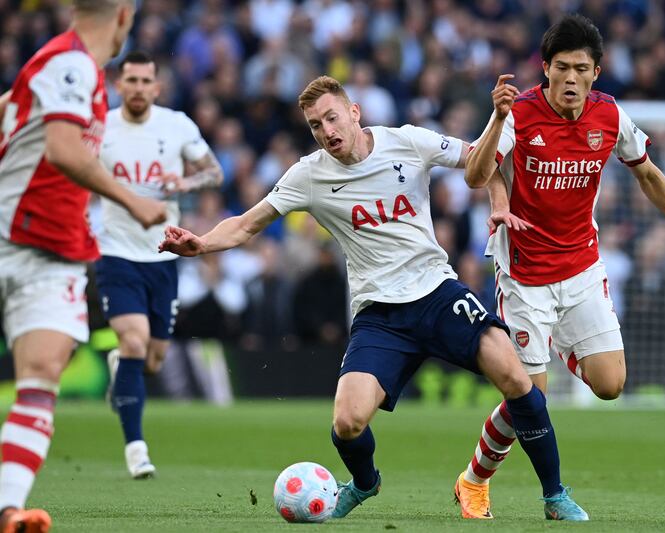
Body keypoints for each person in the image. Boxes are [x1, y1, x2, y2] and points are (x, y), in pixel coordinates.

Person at [160, 76, 588, 521]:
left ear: (354, 112)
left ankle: (554, 495)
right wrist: (202, 244)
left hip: (438, 292)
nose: (326, 131)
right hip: (380, 315)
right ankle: (365, 483)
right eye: (315, 126)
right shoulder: (310, 174)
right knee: (346, 424)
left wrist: (499, 199)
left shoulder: (407, 142)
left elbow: (482, 160)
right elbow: (249, 223)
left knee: (517, 380)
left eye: (331, 117)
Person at [456, 14, 665, 518]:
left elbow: (648, 174)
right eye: (562, 68)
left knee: (610, 385)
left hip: (581, 269)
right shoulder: (520, 114)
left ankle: (548, 355)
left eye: (581, 68)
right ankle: (475, 480)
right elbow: (476, 174)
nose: (571, 79)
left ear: (596, 72)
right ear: (545, 69)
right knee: (529, 401)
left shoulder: (610, 116)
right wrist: (495, 120)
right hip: (525, 277)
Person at [0, 1, 167, 531]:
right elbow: (65, 152)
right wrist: (133, 201)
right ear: (123, 15)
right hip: (13, 238)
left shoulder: (68, 70)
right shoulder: (70, 65)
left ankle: (7, 510)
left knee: (43, 374)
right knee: (39, 376)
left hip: (55, 254)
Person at [97, 50, 223, 479]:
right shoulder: (101, 129)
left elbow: (214, 172)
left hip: (162, 255)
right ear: (120, 84)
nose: (137, 89)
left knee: (152, 359)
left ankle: (122, 366)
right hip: (115, 252)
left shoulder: (176, 125)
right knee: (133, 343)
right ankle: (136, 449)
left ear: (156, 86)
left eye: (144, 81)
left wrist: (184, 181)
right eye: (129, 81)